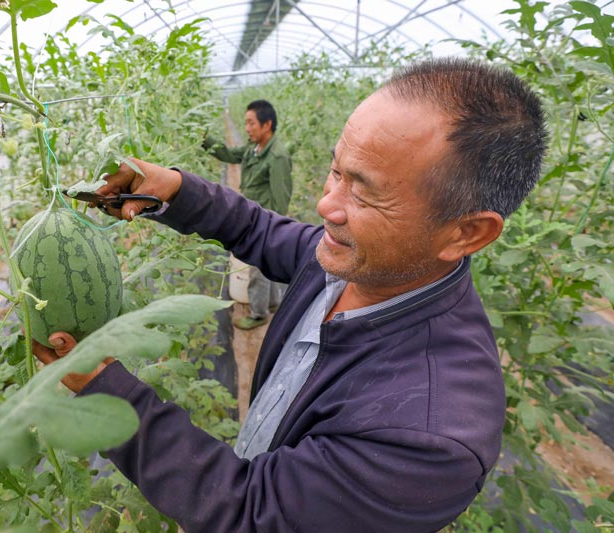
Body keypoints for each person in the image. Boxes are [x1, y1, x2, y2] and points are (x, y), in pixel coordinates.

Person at [34, 58, 547, 532]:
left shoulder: (431, 437)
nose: (327, 204)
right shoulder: (360, 262)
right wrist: (173, 188)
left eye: (364, 190)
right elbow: (258, 228)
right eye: (336, 170)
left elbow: (251, 514)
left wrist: (106, 389)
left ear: (466, 233)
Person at [202, 99, 293, 329]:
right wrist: (204, 139)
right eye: (245, 123)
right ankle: (272, 302)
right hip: (254, 213)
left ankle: (258, 312)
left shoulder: (278, 156)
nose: (247, 128)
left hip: (264, 219)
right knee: (265, 265)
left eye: (251, 123)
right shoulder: (254, 149)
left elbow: (281, 196)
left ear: (267, 124)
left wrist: (271, 229)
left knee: (257, 266)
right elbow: (228, 154)